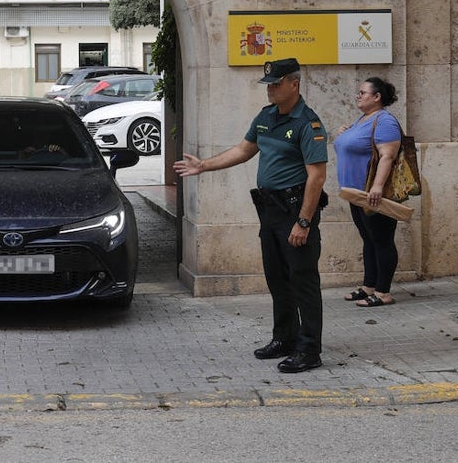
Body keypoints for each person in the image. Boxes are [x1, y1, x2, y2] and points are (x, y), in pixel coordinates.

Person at [173, 58, 328, 374]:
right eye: (268, 84)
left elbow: (317, 178)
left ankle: (309, 349)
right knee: (277, 278)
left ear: (294, 84)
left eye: (276, 84)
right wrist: (204, 165)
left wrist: (303, 222)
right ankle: (284, 338)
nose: (270, 89)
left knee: (303, 280)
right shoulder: (266, 117)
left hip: (295, 211)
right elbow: (243, 150)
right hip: (269, 210)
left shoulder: (307, 124)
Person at [333, 77, 403, 308]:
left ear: (377, 97)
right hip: (356, 193)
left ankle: (383, 292)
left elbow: (387, 156)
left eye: (363, 92)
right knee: (369, 239)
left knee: (382, 240)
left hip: (372, 193)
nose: (358, 96)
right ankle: (369, 286)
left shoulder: (385, 121)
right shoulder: (364, 119)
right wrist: (345, 132)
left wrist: (378, 187)